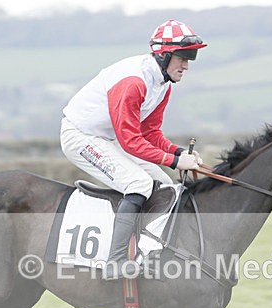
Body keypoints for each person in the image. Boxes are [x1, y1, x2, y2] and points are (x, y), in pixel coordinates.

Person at [60, 19, 207, 279]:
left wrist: (178, 154)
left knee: (164, 185)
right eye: (183, 57)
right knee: (139, 184)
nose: (187, 65)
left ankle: (149, 251)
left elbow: (149, 133)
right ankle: (115, 262)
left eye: (190, 57)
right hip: (81, 136)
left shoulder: (162, 84)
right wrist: (174, 162)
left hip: (109, 138)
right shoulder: (133, 82)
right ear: (164, 55)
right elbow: (130, 140)